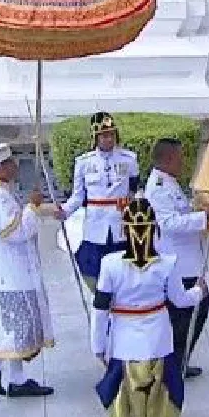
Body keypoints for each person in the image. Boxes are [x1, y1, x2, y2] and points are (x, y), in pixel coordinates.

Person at [92, 196, 206, 417]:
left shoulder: (110, 265)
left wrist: (97, 345)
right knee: (161, 394)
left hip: (124, 342)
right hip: (158, 338)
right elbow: (181, 301)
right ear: (155, 229)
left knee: (125, 396)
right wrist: (200, 291)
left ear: (123, 230)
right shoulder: (168, 263)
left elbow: (100, 310)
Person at [0, 113, 56, 398]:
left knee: (22, 326)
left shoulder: (2, 192)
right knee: (19, 326)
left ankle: (17, 380)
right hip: (8, 274)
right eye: (10, 163)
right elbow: (15, 231)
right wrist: (32, 208)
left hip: (15, 270)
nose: (15, 166)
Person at [145, 137, 209, 379]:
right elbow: (169, 223)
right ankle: (173, 363)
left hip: (187, 258)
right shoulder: (158, 188)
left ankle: (180, 360)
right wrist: (203, 218)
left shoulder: (170, 183)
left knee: (192, 310)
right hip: (177, 262)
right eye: (179, 158)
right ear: (168, 159)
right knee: (186, 312)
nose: (183, 163)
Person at [62, 112, 139, 292]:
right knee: (92, 268)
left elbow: (134, 189)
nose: (108, 139)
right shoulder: (83, 163)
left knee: (123, 269)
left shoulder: (129, 159)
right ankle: (99, 303)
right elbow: (78, 196)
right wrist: (64, 210)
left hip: (120, 223)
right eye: (104, 136)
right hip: (95, 225)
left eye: (111, 134)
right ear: (95, 137)